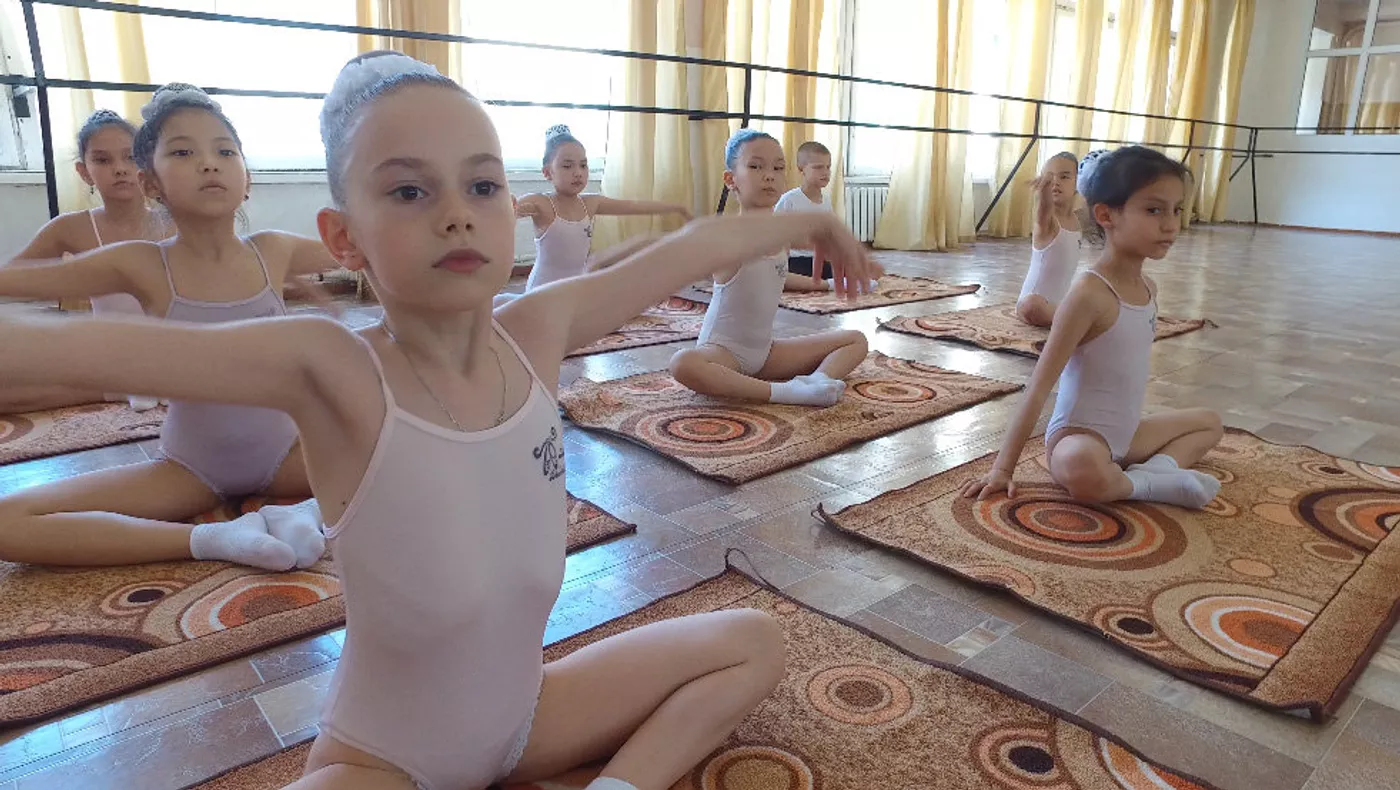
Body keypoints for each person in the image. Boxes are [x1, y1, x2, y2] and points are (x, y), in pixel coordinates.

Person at [0, 51, 875, 790]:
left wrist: (818, 220)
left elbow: (694, 247)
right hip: (385, 761)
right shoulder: (332, 366)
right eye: (410, 191)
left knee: (752, 642)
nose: (456, 211)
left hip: (527, 716)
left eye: (481, 185)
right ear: (344, 239)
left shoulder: (536, 331)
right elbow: (79, 348)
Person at [0, 84, 340, 571]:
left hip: (290, 457)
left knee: (429, 451)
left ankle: (306, 512)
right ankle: (217, 538)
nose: (209, 164)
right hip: (190, 470)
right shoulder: (141, 263)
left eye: (225, 151)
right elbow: (17, 280)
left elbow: (368, 249)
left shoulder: (274, 250)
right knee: (8, 522)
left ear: (246, 177)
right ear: (151, 183)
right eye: (183, 152)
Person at [962, 146, 1224, 510]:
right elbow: (1038, 387)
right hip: (1079, 439)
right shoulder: (1088, 294)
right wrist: (1002, 469)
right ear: (1105, 215)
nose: (1170, 224)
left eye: (1176, 210)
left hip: (1128, 435)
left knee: (1210, 423)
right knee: (1081, 465)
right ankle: (1144, 484)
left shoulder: (1150, 288)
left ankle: (1154, 473)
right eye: (1154, 210)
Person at [668, 129, 870, 407]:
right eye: (755, 167)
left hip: (765, 353)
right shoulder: (727, 236)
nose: (769, 176)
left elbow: (778, 277)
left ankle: (815, 383)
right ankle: (787, 393)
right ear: (731, 179)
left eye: (778, 168)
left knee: (856, 340)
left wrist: (833, 283)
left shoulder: (781, 238)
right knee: (683, 363)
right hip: (722, 353)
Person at [2, 109, 172, 413]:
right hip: (108, 354)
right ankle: (121, 387)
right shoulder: (70, 228)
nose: (119, 169)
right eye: (103, 160)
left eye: (130, 157)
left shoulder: (174, 223)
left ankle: (150, 381)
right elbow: (10, 277)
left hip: (173, 348)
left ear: (147, 163)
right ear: (84, 171)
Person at [515, 124, 693, 290]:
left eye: (583, 165)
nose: (578, 173)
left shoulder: (590, 204)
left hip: (574, 288)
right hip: (541, 291)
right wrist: (510, 206)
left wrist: (676, 207)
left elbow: (633, 206)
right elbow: (509, 209)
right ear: (548, 172)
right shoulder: (542, 204)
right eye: (567, 166)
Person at [774, 140, 883, 286]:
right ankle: (829, 283)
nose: (825, 172)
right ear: (801, 169)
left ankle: (841, 278)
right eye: (818, 167)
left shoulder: (825, 200)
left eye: (828, 167)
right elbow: (776, 237)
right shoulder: (789, 200)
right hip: (796, 260)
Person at [1015, 151, 1083, 327]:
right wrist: (1043, 192)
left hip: (1058, 304)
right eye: (1048, 178)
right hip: (1033, 304)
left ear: (1079, 182)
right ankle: (1074, 320)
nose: (1055, 182)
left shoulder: (1077, 219)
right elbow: (1044, 209)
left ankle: (1068, 316)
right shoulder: (1047, 223)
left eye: (1064, 177)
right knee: (1032, 305)